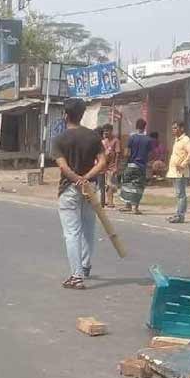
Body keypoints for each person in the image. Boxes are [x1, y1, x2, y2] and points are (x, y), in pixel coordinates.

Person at [53, 98, 107, 290]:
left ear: (66, 115)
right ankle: (84, 266)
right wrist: (86, 178)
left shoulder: (60, 139)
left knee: (72, 233)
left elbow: (63, 166)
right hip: (90, 189)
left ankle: (77, 276)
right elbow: (102, 162)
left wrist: (77, 179)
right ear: (82, 115)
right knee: (88, 229)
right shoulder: (93, 137)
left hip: (69, 189)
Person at [119, 118, 152, 215]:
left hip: (130, 164)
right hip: (141, 166)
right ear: (144, 127)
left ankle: (127, 205)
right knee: (138, 186)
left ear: (136, 126)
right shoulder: (148, 139)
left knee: (127, 184)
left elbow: (126, 153)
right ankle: (135, 208)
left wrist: (124, 163)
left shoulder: (131, 138)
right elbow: (150, 154)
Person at [166, 121, 190, 224]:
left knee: (181, 194)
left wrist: (183, 164)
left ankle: (180, 215)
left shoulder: (185, 140)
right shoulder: (177, 140)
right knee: (178, 194)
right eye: (173, 128)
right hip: (174, 171)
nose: (173, 130)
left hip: (181, 172)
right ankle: (178, 214)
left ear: (181, 128)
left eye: (175, 128)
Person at [100, 123, 120, 208]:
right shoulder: (103, 141)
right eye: (104, 132)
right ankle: (104, 201)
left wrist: (116, 166)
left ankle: (110, 202)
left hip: (111, 166)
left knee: (110, 184)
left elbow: (118, 154)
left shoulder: (116, 141)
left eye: (107, 131)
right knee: (104, 185)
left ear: (111, 131)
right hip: (103, 166)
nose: (106, 133)